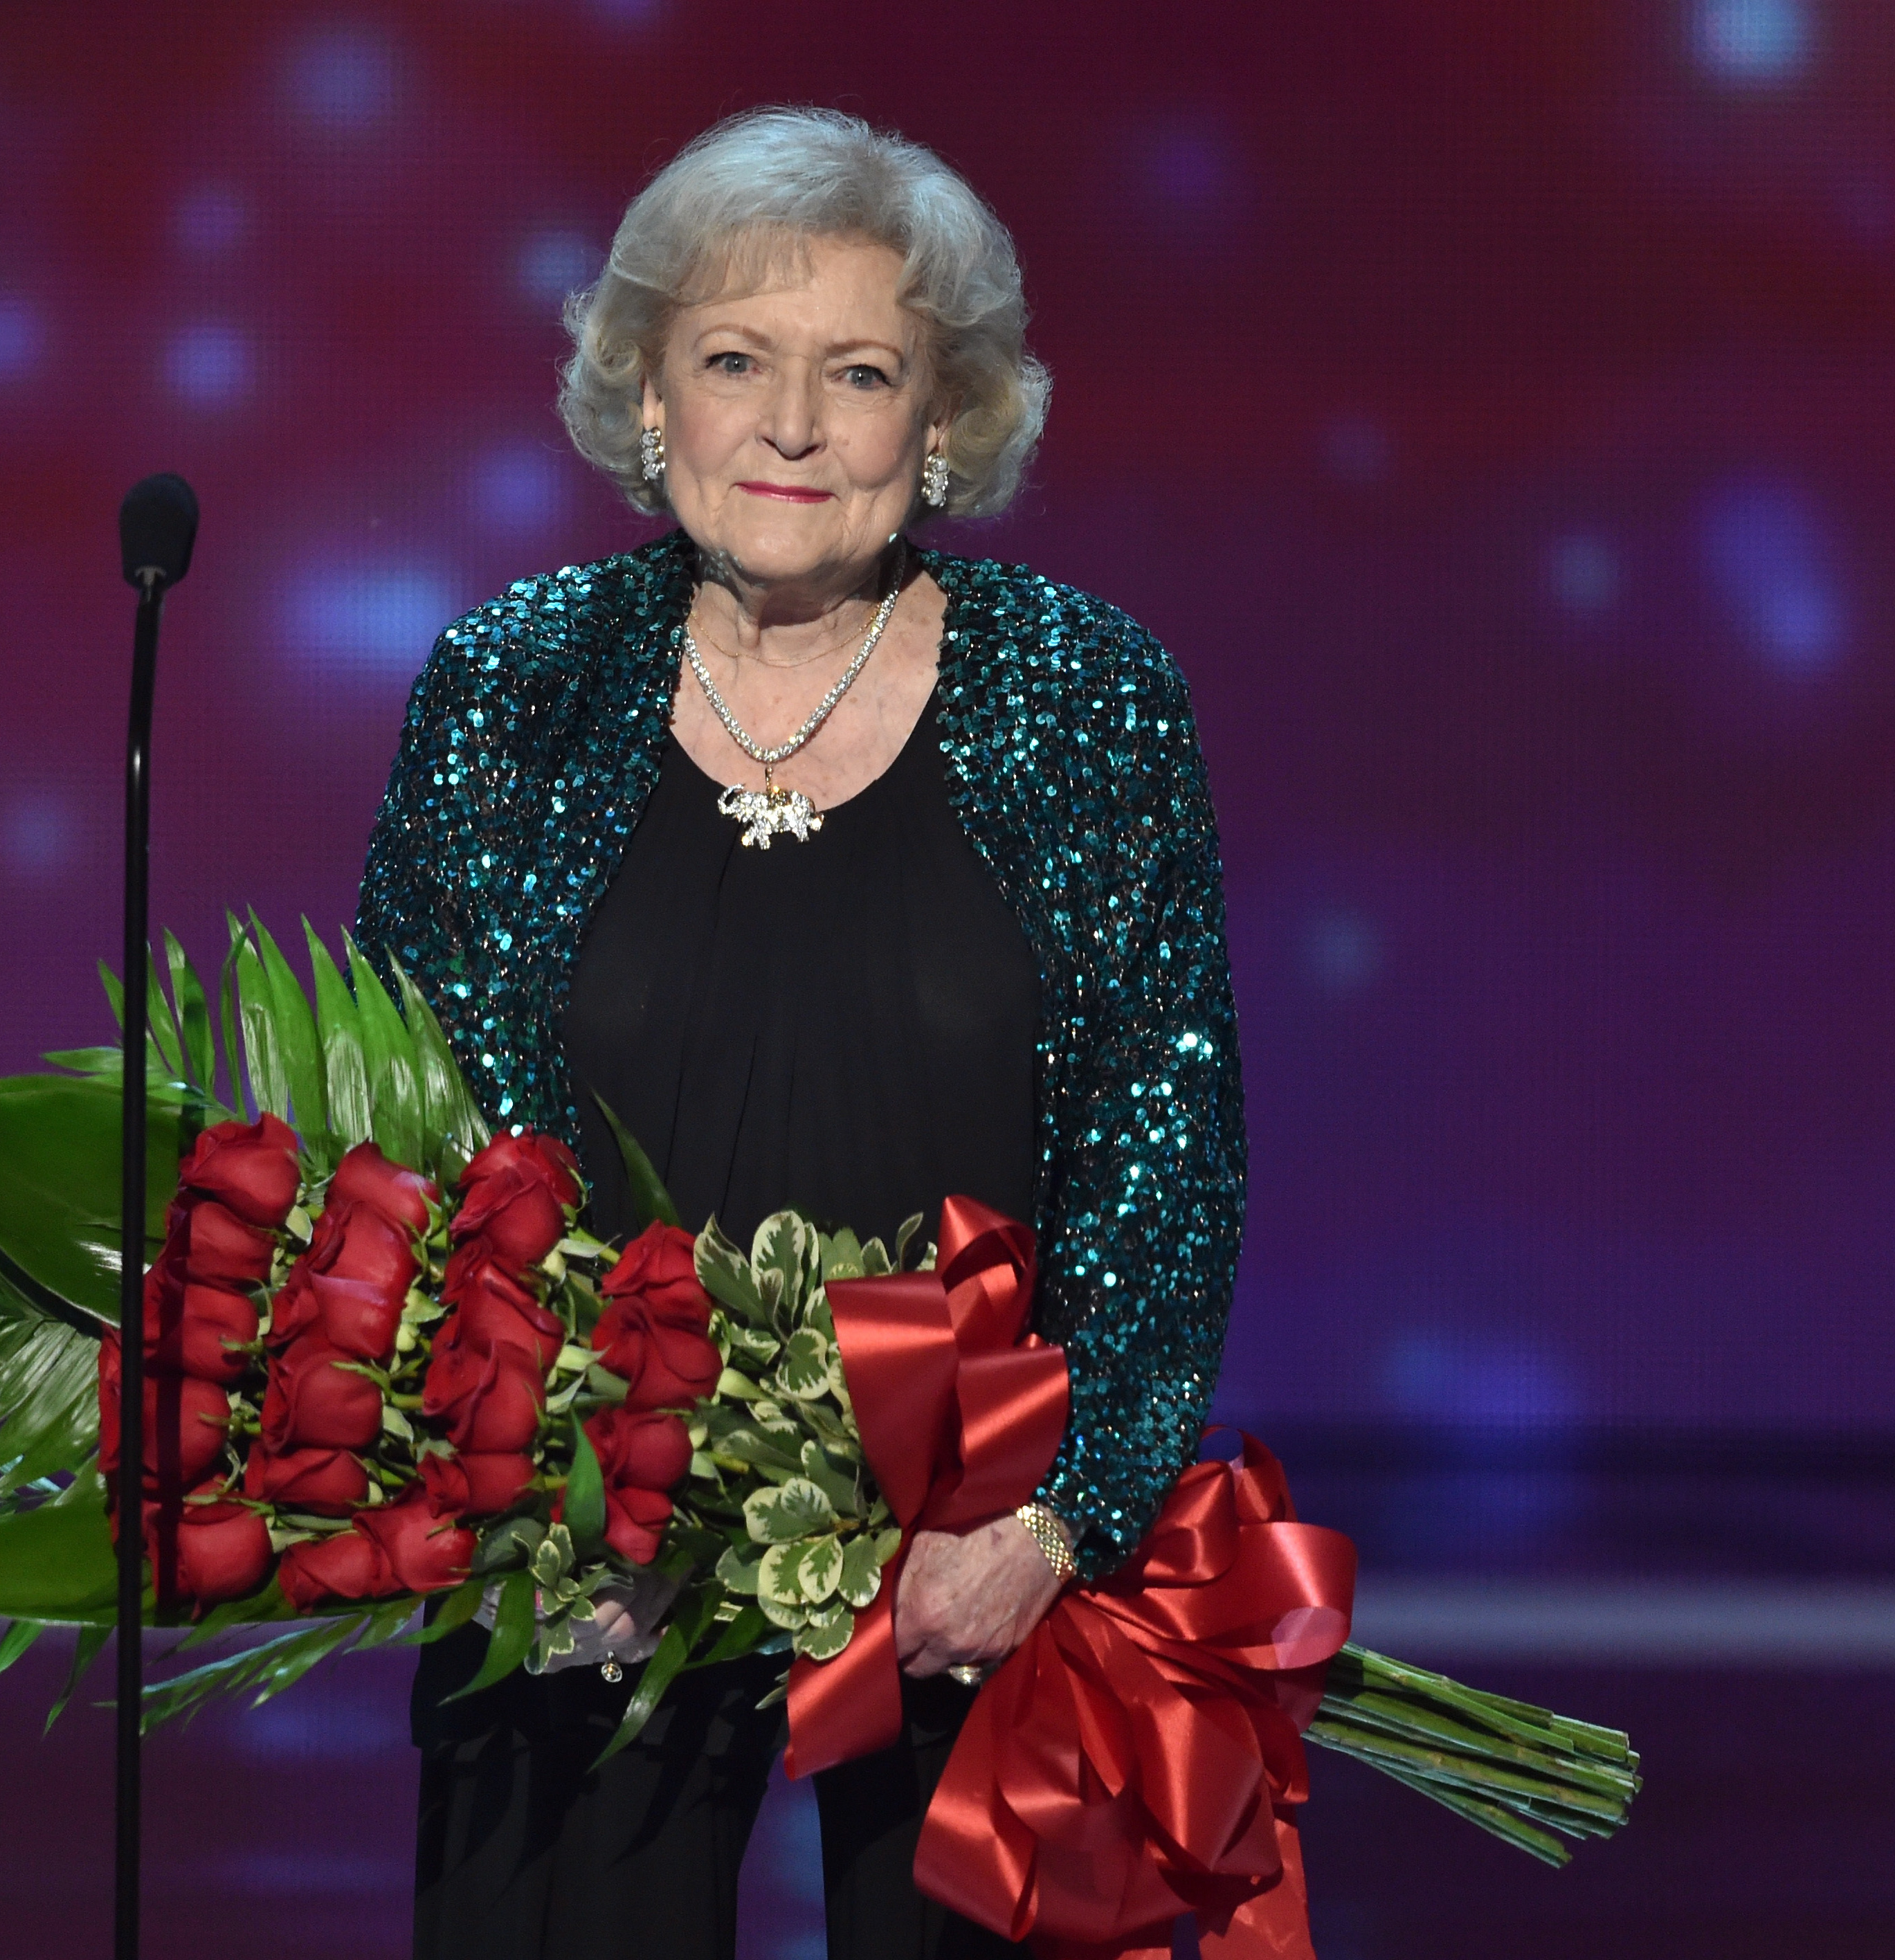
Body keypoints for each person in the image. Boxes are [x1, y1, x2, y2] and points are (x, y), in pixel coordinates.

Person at [354, 107, 1245, 1960]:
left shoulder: (1085, 701)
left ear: (941, 420)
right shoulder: (511, 687)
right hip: (584, 1551)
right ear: (647, 396)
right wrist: (514, 1509)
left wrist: (1056, 1528)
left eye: (858, 373)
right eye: (733, 362)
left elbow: (1165, 1167)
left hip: (971, 1558)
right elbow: (407, 1144)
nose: (788, 426)